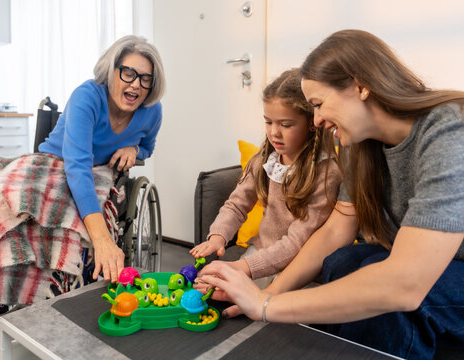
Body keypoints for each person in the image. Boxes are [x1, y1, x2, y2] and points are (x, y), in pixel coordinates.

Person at [197, 29, 464, 359]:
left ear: (360, 86)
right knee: (341, 262)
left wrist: (267, 304)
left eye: (319, 105)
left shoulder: (449, 129)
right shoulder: (358, 147)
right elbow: (336, 230)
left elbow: (405, 284)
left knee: (389, 306)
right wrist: (257, 293)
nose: (317, 119)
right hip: (434, 262)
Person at [0, 35, 165, 359]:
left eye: (145, 79)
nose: (136, 84)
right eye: (128, 73)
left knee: (60, 226)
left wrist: (135, 149)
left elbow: (148, 146)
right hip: (52, 164)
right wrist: (103, 239)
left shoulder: (152, 111)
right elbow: (75, 167)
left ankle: (13, 319)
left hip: (97, 174)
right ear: (111, 71)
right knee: (4, 211)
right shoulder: (87, 96)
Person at [190, 69, 341, 288]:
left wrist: (246, 269)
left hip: (300, 265)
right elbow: (236, 205)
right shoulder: (264, 160)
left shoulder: (326, 173)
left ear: (311, 123)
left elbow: (296, 243)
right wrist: (218, 236)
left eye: (285, 125)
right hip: (261, 253)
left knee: (252, 301)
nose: (274, 133)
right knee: (209, 286)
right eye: (268, 122)